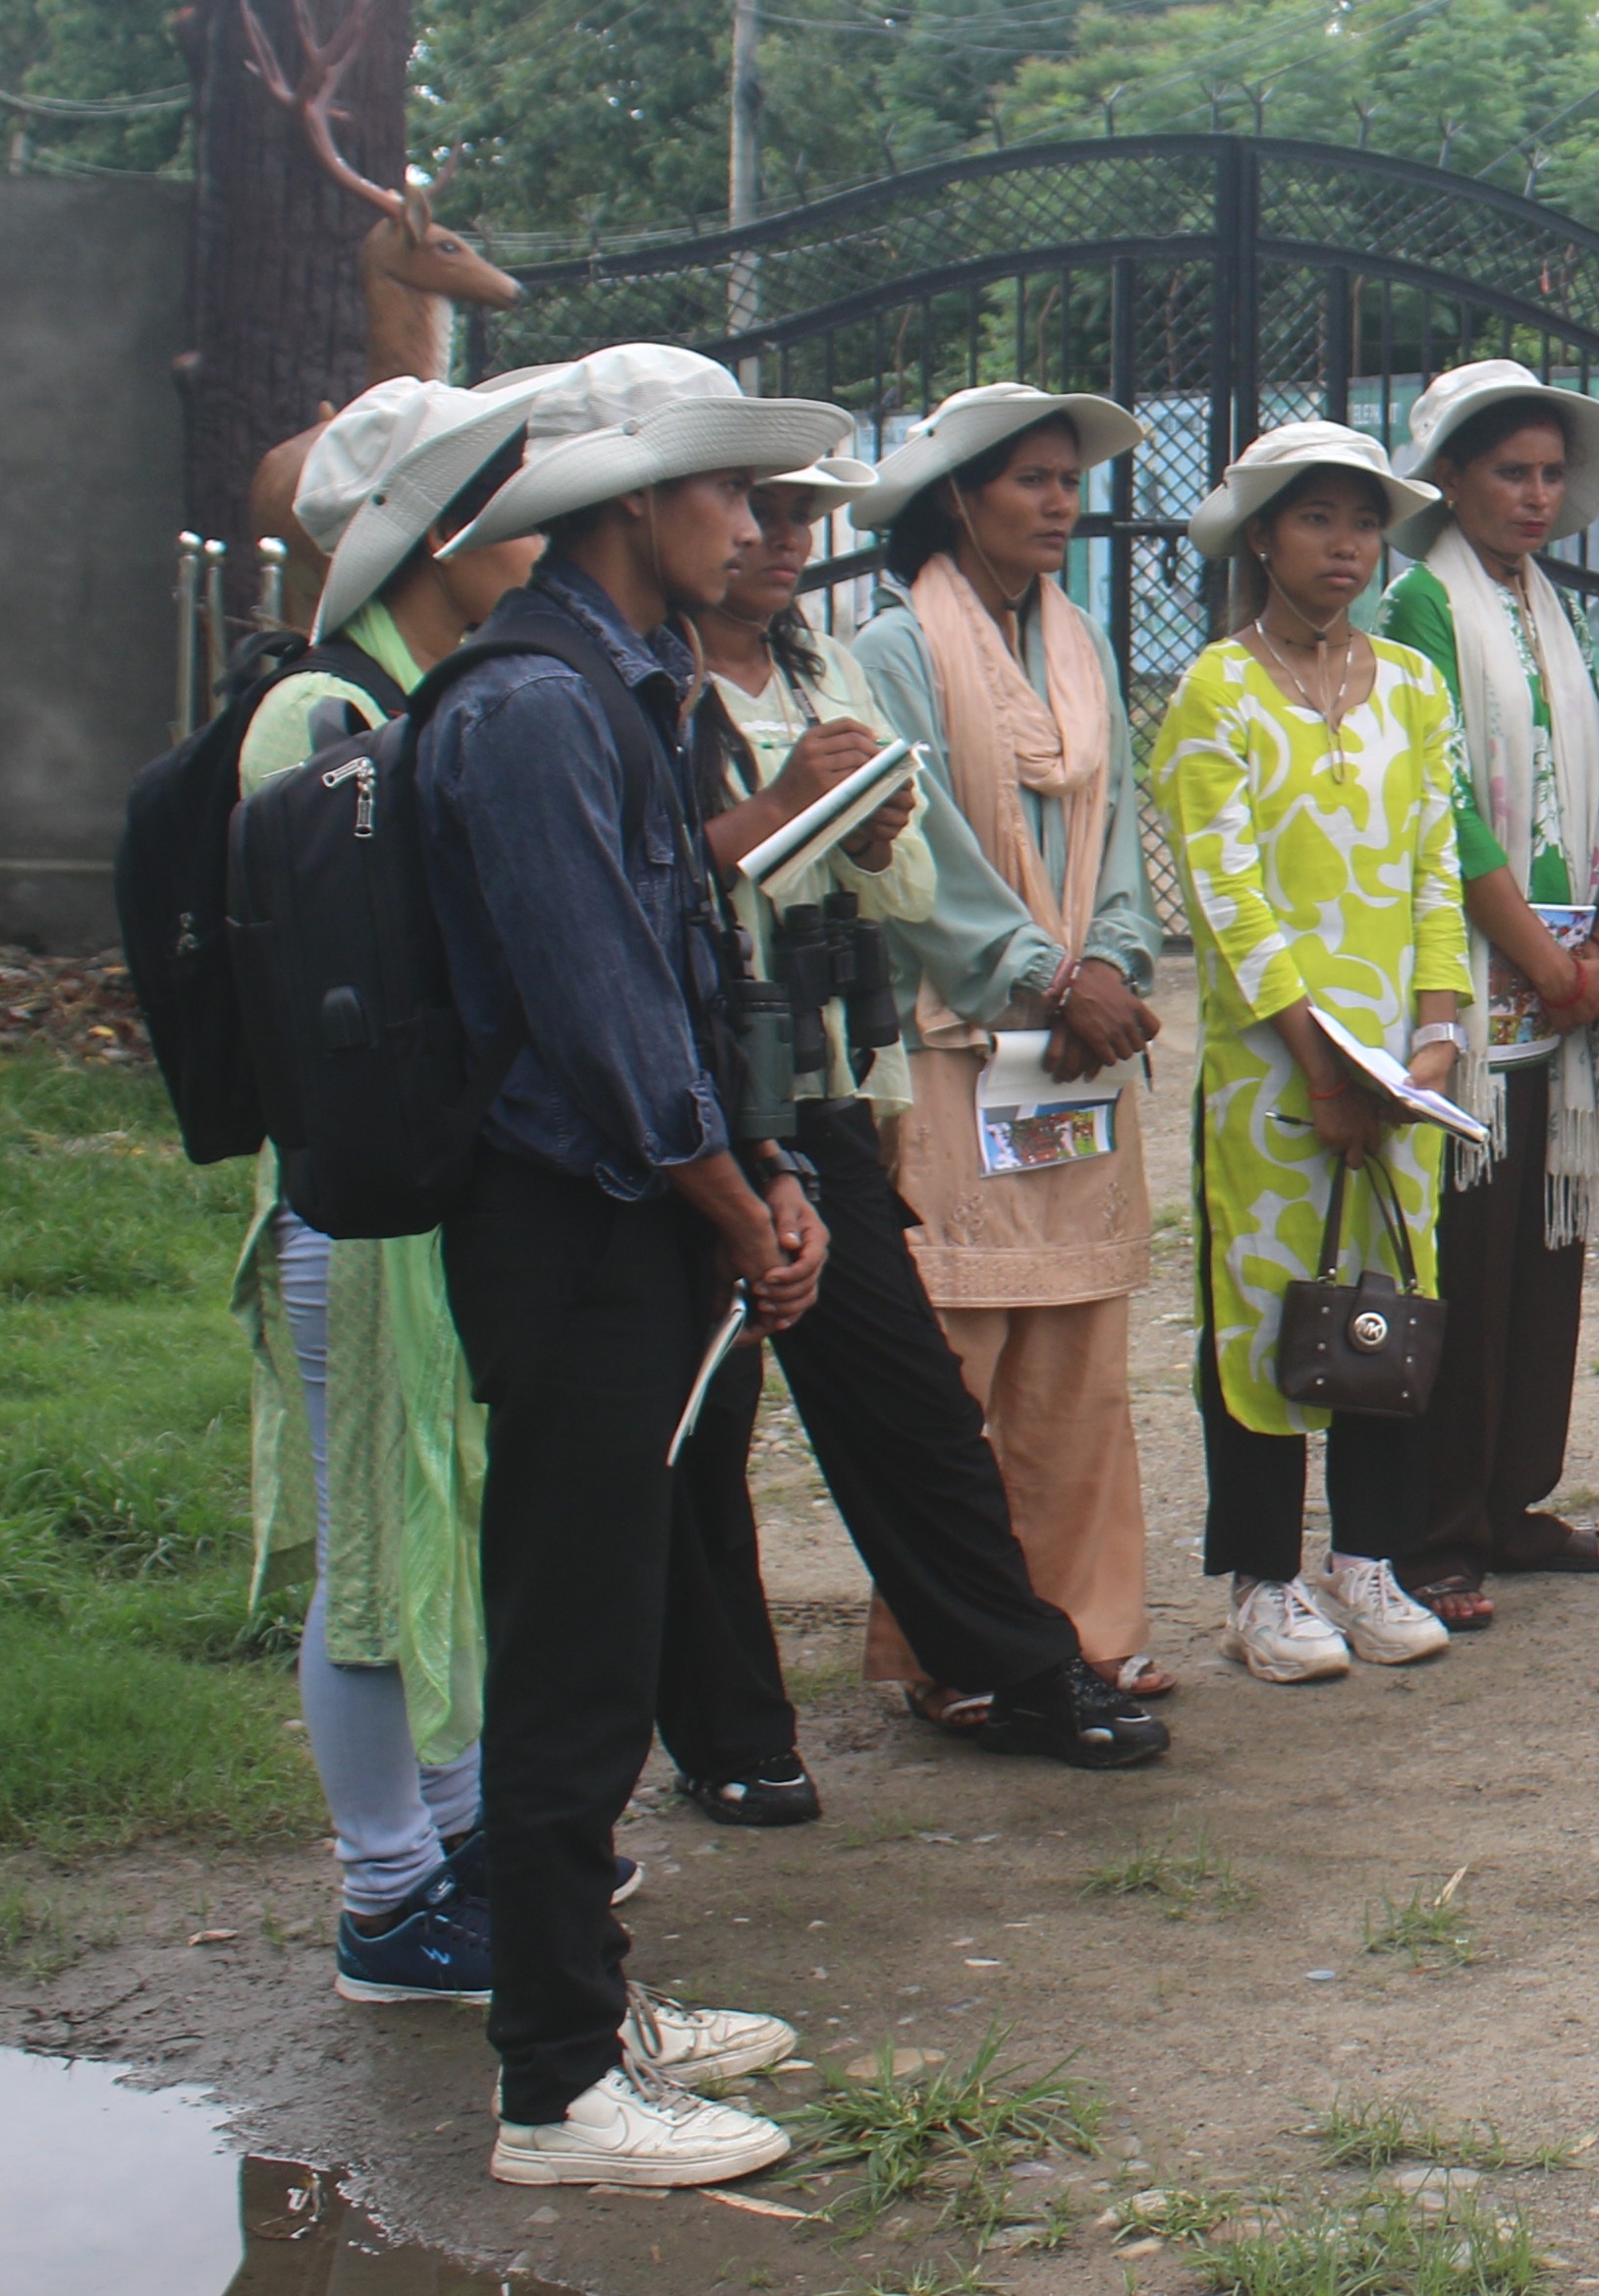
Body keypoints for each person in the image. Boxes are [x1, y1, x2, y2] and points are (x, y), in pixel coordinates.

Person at [417, 346, 845, 2192]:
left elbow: (678, 971)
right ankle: (555, 2087)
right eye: (723, 492)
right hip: (571, 1225)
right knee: (574, 1639)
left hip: (648, 1208)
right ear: (629, 507)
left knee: (618, 1607)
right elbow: (596, 1015)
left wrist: (758, 1165)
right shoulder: (528, 709)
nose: (754, 530)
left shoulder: (626, 690)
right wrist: (729, 1199)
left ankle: (593, 2010)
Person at [668, 454, 1163, 1776]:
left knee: (916, 1406)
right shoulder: (641, 687)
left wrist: (1101, 957)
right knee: (703, 1426)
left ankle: (1021, 1655)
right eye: (749, 511)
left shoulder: (824, 670)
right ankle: (735, 1736)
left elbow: (908, 868)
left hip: (836, 1073)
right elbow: (643, 877)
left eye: (795, 516)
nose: (775, 537)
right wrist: (1032, 972)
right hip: (700, 1080)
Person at [241, 375, 539, 2008]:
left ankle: (460, 1835)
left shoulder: (430, 690)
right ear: (438, 532)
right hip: (360, 1205)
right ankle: (386, 1895)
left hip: (434, 1191)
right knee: (373, 1550)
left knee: (444, 1512)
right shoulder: (324, 716)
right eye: (511, 503)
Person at [850, 387, 1172, 1697]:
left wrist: (1110, 965)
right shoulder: (889, 651)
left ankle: (1088, 1631)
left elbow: (1122, 844)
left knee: (1081, 1363)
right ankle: (957, 1650)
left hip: (1076, 1053)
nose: (1059, 503)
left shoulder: (1084, 644)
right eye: (1030, 481)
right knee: (957, 1363)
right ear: (958, 498)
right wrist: (1043, 975)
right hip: (954, 1048)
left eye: (1066, 479)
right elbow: (915, 849)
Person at [1147, 421, 1479, 1684]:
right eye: (1316, 520)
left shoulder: (1409, 683)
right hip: (1278, 1067)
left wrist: (1436, 1030)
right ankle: (1263, 1577)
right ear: (1261, 536)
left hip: (1403, 1066)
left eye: (1361, 521)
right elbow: (1229, 902)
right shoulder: (1216, 693)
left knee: (1388, 1296)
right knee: (1269, 1312)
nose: (1344, 547)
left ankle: (1371, 1557)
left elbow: (1435, 869)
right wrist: (1322, 1062)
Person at [1377, 360, 1599, 1628]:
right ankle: (1438, 1525)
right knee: (1463, 1257)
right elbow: (1440, 807)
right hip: (1474, 979)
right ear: (1448, 479)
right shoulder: (1421, 604)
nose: (1536, 496)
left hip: (1563, 978)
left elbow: (1570, 786)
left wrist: (1588, 952)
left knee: (1547, 1246)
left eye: (1549, 475)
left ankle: (1516, 1495)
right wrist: (1539, 960)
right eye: (1509, 473)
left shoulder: (1548, 603)